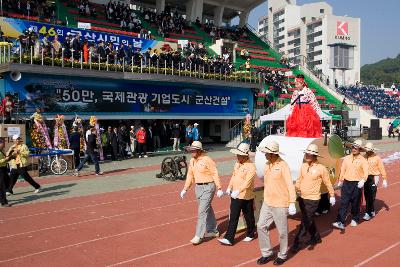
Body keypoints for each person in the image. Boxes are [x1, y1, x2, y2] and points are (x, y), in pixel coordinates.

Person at [256, 140, 296, 265]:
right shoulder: (267, 164)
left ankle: (282, 255)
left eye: (266, 153)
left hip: (280, 203)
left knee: (282, 232)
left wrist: (292, 202)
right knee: (261, 226)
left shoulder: (283, 165)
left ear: (273, 154)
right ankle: (266, 253)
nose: (264, 155)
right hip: (267, 202)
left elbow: (290, 184)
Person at [291, 144, 335, 253]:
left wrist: (332, 195)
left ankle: (297, 243)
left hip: (313, 200)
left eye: (308, 154)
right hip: (302, 198)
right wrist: (296, 189)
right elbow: (300, 179)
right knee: (308, 219)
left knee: (305, 221)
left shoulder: (321, 168)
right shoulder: (304, 166)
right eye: (306, 153)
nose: (306, 155)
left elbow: (327, 182)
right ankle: (316, 237)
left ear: (314, 155)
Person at [180, 141, 224, 245]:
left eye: (194, 150)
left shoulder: (207, 159)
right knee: (206, 209)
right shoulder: (192, 161)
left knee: (202, 211)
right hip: (198, 188)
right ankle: (213, 230)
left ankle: (198, 235)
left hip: (209, 187)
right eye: (191, 150)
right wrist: (185, 189)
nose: (192, 152)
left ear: (199, 150)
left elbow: (215, 173)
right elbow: (190, 176)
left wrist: (219, 187)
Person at [218, 143, 256, 246]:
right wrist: (230, 187)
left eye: (239, 155)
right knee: (233, 216)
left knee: (248, 216)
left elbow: (248, 182)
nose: (237, 157)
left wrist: (239, 190)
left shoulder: (251, 166)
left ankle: (251, 233)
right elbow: (233, 177)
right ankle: (229, 238)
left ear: (245, 155)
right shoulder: (237, 164)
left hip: (246, 196)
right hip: (236, 195)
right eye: (237, 155)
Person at [332, 139, 368, 230]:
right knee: (344, 202)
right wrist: (340, 180)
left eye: (356, 148)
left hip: (357, 184)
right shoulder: (347, 158)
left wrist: (363, 180)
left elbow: (366, 172)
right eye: (353, 147)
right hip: (346, 183)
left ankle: (355, 218)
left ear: (359, 149)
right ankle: (340, 221)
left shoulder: (363, 160)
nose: (354, 149)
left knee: (355, 203)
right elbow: (343, 169)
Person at [363, 142, 388, 221]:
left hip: (374, 178)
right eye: (366, 150)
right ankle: (372, 210)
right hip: (365, 178)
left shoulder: (377, 158)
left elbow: (381, 168)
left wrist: (384, 179)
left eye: (368, 150)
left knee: (371, 197)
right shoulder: (364, 156)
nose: (367, 151)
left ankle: (368, 213)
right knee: (367, 196)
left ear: (372, 150)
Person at [0, 138, 11, 207]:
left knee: (8, 182)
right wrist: (4, 160)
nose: (4, 144)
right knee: (2, 186)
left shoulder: (2, 150)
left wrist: (9, 157)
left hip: (4, 168)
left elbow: (5, 159)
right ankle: (4, 202)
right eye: (3, 142)